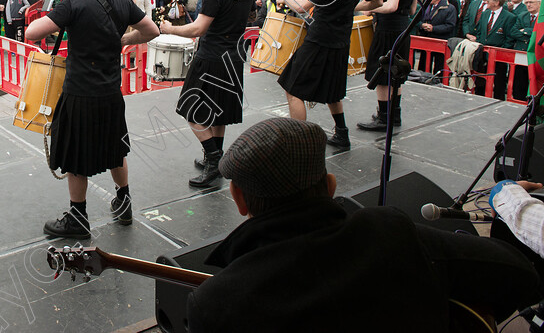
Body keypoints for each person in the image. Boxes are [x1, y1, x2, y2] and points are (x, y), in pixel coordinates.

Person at [186, 117, 541, 332]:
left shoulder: (215, 303)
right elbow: (519, 275)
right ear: (330, 186)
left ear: (239, 198)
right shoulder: (388, 236)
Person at [25, 0, 159, 239]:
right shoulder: (123, 1)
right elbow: (152, 31)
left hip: (80, 93)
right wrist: (125, 38)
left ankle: (78, 217)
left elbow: (31, 33)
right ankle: (124, 204)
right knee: (115, 148)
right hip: (111, 92)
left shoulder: (72, 4)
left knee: (75, 155)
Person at [160, 0, 255, 187]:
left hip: (212, 56)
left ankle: (213, 159)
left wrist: (170, 29)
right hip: (234, 57)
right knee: (219, 112)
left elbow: (199, 28)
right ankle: (217, 159)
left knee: (191, 111)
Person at [276, 0, 382, 149]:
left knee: (292, 87)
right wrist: (352, 5)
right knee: (333, 90)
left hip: (319, 41)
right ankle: (342, 134)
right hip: (341, 41)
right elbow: (377, 2)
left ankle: (300, 142)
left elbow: (303, 6)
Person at [356, 0, 419, 132]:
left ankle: (384, 118)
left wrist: (367, 8)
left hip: (388, 30)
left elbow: (391, 5)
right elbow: (412, 8)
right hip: (402, 29)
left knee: (382, 73)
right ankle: (394, 115)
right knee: (396, 73)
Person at [470, 0, 522, 100]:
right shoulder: (485, 14)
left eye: (489, 0)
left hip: (499, 55)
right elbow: (479, 31)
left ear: (497, 2)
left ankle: (498, 100)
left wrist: (502, 51)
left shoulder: (509, 17)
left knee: (499, 81)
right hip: (483, 53)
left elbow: (509, 37)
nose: (486, 2)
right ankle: (479, 98)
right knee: (481, 79)